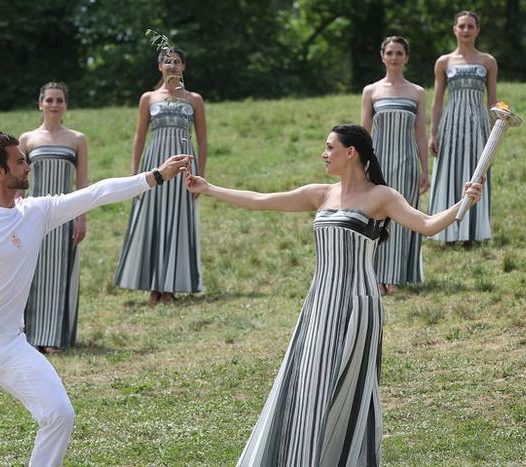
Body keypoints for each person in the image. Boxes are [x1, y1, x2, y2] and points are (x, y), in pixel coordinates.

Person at [183, 124, 483, 466]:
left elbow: (426, 225)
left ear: (350, 152)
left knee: (348, 388)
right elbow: (261, 201)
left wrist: (464, 202)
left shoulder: (381, 197)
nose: (324, 154)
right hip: (320, 304)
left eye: (330, 148)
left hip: (358, 305)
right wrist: (209, 188)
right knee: (307, 385)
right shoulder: (321, 194)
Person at [0, 132, 191, 465]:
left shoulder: (36, 212)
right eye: (20, 161)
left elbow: (96, 193)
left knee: (59, 414)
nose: (28, 166)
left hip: (12, 345)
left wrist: (156, 175)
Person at [114, 47, 207, 304]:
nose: (172, 66)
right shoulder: (148, 98)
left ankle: (170, 287)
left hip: (184, 168)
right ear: (160, 67)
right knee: (152, 220)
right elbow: (139, 138)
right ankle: (153, 286)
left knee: (177, 220)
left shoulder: (194, 99)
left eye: (177, 62)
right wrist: (135, 176)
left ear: (183, 66)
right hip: (154, 165)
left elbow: (202, 140)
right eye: (167, 62)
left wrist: (200, 173)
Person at [20, 82, 87, 353]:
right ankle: (29, 337)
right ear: (40, 104)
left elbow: (82, 183)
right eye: (49, 100)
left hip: (64, 213)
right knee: (31, 273)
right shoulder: (27, 140)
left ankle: (55, 337)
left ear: (66, 105)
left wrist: (81, 218)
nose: (54, 104)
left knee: (59, 274)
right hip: (32, 214)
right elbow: (18, 182)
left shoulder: (77, 139)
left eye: (59, 100)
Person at [361, 36, 428, 294]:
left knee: (403, 216)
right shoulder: (371, 91)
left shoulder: (417, 92)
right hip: (378, 163)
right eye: (389, 52)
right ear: (382, 56)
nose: (394, 57)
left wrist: (425, 169)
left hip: (407, 162)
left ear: (406, 57)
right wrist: (359, 167)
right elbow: (363, 133)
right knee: (377, 217)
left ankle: (396, 276)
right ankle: (375, 276)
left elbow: (420, 134)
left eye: (399, 53)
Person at [428, 10, 497, 245]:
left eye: (470, 26)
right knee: (448, 174)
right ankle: (447, 232)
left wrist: (493, 133)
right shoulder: (444, 62)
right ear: (455, 30)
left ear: (477, 30)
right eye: (462, 26)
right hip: (451, 126)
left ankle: (473, 232)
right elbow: (437, 101)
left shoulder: (488, 61)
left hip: (478, 126)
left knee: (477, 175)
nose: (466, 30)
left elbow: (492, 100)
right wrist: (433, 133)